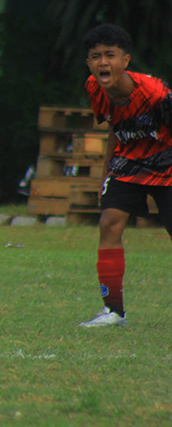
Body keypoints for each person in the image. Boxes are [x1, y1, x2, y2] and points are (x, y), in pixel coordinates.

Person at [78, 24, 172, 327]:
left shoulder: (156, 94)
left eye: (110, 55)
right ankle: (114, 312)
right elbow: (114, 128)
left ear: (126, 60)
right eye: (95, 57)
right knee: (109, 223)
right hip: (128, 162)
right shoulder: (94, 88)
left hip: (167, 162)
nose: (103, 62)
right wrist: (106, 172)